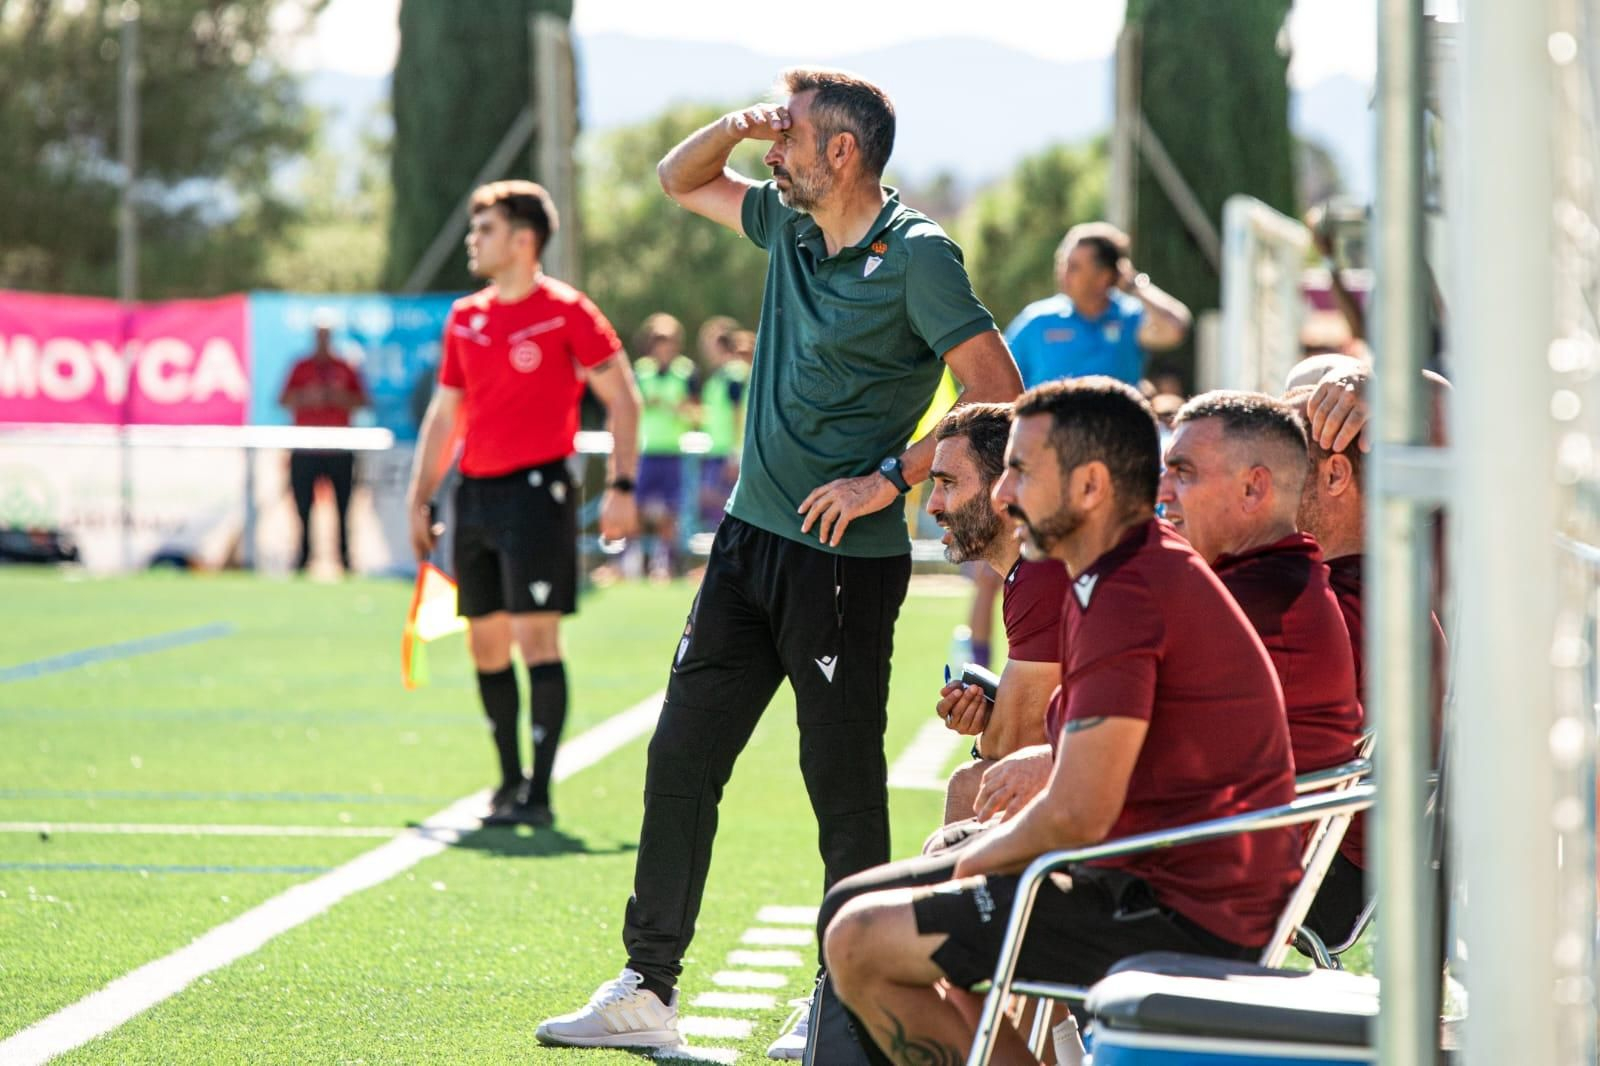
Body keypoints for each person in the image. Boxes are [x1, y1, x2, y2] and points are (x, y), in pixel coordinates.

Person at [536, 67, 1022, 1050]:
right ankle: (646, 987)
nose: (772, 146)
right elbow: (678, 179)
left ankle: (843, 1001)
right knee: (681, 757)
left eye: (789, 133)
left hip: (845, 561)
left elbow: (999, 392)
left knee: (839, 787)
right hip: (747, 543)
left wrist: (889, 476)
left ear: (841, 153)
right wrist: (732, 121)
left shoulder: (921, 256)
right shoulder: (787, 224)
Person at [818, 378, 1300, 1065]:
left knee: (859, 937)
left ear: (1090, 486)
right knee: (859, 907)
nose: (1005, 494)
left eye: (1020, 470)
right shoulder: (1113, 573)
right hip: (1155, 876)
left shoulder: (1126, 588)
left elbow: (1076, 812)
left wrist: (968, 866)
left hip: (1179, 907)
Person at [405, 180, 641, 829]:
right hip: (474, 495)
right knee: (484, 645)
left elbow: (622, 397)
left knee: (537, 638)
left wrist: (621, 488)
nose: (472, 241)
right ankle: (507, 781)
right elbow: (445, 412)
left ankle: (539, 791)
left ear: (523, 239)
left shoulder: (567, 311)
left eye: (485, 230)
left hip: (538, 494)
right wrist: (421, 496)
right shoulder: (465, 317)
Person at [1285, 374, 1449, 943]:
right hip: (1325, 854)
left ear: (1334, 474)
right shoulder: (1358, 588)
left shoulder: (1331, 606)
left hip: (1314, 869)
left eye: (1279, 464)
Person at [1157, 391, 1363, 779]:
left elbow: (1098, 727)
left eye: (1183, 473)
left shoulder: (1259, 599)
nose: (1162, 493)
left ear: (1253, 488)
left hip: (1221, 834)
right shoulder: (1276, 578)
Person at [925, 403, 1065, 825]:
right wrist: (998, 710)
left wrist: (996, 722)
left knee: (975, 781)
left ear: (1005, 487)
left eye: (948, 483)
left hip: (1172, 805)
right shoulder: (1032, 567)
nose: (933, 505)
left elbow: (1014, 745)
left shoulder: (1043, 568)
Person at [1002, 222, 1192, 390]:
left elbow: (1175, 329)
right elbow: (1001, 375)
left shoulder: (1129, 317)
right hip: (1047, 431)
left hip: (1115, 430)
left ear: (1104, 276)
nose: (1063, 273)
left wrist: (1134, 284)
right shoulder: (1037, 320)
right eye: (1062, 263)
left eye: (1074, 267)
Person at [278, 317, 371, 573]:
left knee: (343, 508)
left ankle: (344, 559)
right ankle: (303, 558)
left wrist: (337, 398)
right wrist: (308, 397)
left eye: (326, 335)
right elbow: (283, 399)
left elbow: (363, 400)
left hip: (339, 448)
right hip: (305, 447)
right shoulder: (301, 367)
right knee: (302, 507)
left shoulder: (344, 366)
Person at [634, 313, 698, 578]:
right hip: (646, 451)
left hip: (673, 450)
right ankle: (636, 560)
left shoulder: (686, 371)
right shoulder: (641, 371)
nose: (664, 346)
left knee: (671, 511)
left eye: (669, 341)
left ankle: (665, 563)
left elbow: (697, 412)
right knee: (637, 508)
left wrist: (676, 408)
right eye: (659, 341)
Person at [697, 320, 751, 530]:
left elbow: (739, 414)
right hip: (718, 450)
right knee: (712, 503)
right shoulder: (721, 375)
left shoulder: (734, 374)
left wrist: (735, 454)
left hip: (728, 455)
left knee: (720, 503)